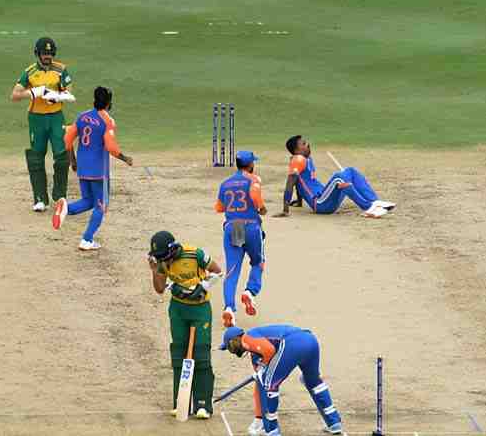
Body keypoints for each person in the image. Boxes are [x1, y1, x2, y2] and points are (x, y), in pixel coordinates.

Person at [148, 231, 223, 420]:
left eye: (165, 256)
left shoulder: (195, 254)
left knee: (201, 353)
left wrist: (203, 286)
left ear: (173, 249)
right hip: (178, 310)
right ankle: (180, 402)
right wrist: (154, 270)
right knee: (178, 353)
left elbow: (218, 271)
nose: (164, 260)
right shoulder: (161, 261)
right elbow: (159, 289)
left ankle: (203, 404)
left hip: (200, 310)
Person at [220, 325, 343, 436]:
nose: (232, 351)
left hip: (292, 343)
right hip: (310, 340)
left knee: (270, 385)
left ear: (235, 339)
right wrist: (258, 417)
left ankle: (271, 430)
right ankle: (334, 422)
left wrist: (263, 367)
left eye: (231, 346)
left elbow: (269, 350)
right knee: (313, 382)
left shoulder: (247, 339)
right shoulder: (255, 350)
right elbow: (259, 383)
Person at [52, 87, 133, 250]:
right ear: (109, 103)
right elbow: (111, 147)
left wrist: (72, 161)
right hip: (99, 171)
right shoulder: (107, 121)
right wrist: (125, 158)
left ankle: (66, 208)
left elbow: (67, 139)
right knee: (101, 205)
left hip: (82, 167)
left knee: (88, 201)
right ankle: (87, 239)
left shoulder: (82, 116)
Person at [11, 37, 77, 211]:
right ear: (37, 54)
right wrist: (34, 92)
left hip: (56, 117)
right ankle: (40, 199)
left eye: (49, 53)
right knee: (36, 157)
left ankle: (59, 196)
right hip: (36, 118)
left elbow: (70, 94)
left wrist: (56, 96)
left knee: (62, 156)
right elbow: (15, 95)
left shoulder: (60, 69)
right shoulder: (30, 72)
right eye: (44, 53)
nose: (47, 56)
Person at [276, 135, 395, 218]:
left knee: (350, 172)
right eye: (303, 144)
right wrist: (285, 210)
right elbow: (290, 183)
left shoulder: (307, 159)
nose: (308, 144)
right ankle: (369, 208)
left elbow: (300, 182)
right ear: (296, 150)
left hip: (326, 198)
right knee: (339, 177)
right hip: (320, 203)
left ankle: (374, 202)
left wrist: (299, 201)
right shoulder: (298, 159)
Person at [214, 151, 267, 328]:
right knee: (258, 262)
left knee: (232, 271)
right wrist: (262, 208)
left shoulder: (225, 183)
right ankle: (250, 292)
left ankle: (229, 307)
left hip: (232, 226)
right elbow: (257, 199)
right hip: (251, 225)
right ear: (250, 165)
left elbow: (220, 208)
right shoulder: (254, 179)